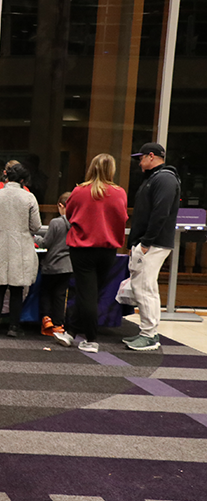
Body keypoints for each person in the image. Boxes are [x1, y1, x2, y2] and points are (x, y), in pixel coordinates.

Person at [54, 153, 128, 353]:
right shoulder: (119, 193)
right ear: (111, 170)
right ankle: (70, 332)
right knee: (90, 293)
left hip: (82, 249)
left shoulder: (79, 191)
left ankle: (91, 339)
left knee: (86, 294)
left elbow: (69, 215)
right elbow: (122, 218)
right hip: (107, 250)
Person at [124, 143, 181, 351]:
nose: (139, 162)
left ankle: (149, 335)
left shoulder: (164, 178)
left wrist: (146, 242)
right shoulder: (157, 178)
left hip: (153, 243)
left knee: (145, 288)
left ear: (151, 156)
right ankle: (148, 332)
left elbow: (160, 213)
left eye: (141, 158)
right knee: (146, 287)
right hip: (150, 242)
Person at [0, 163, 41, 337]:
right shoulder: (29, 198)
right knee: (17, 289)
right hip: (21, 246)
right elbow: (36, 226)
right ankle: (14, 327)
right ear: (23, 180)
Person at [35, 191, 73, 336]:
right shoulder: (76, 223)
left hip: (52, 264)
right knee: (60, 295)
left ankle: (47, 319)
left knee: (46, 291)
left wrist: (36, 238)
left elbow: (46, 243)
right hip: (68, 265)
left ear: (60, 205)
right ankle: (58, 325)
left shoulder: (56, 222)